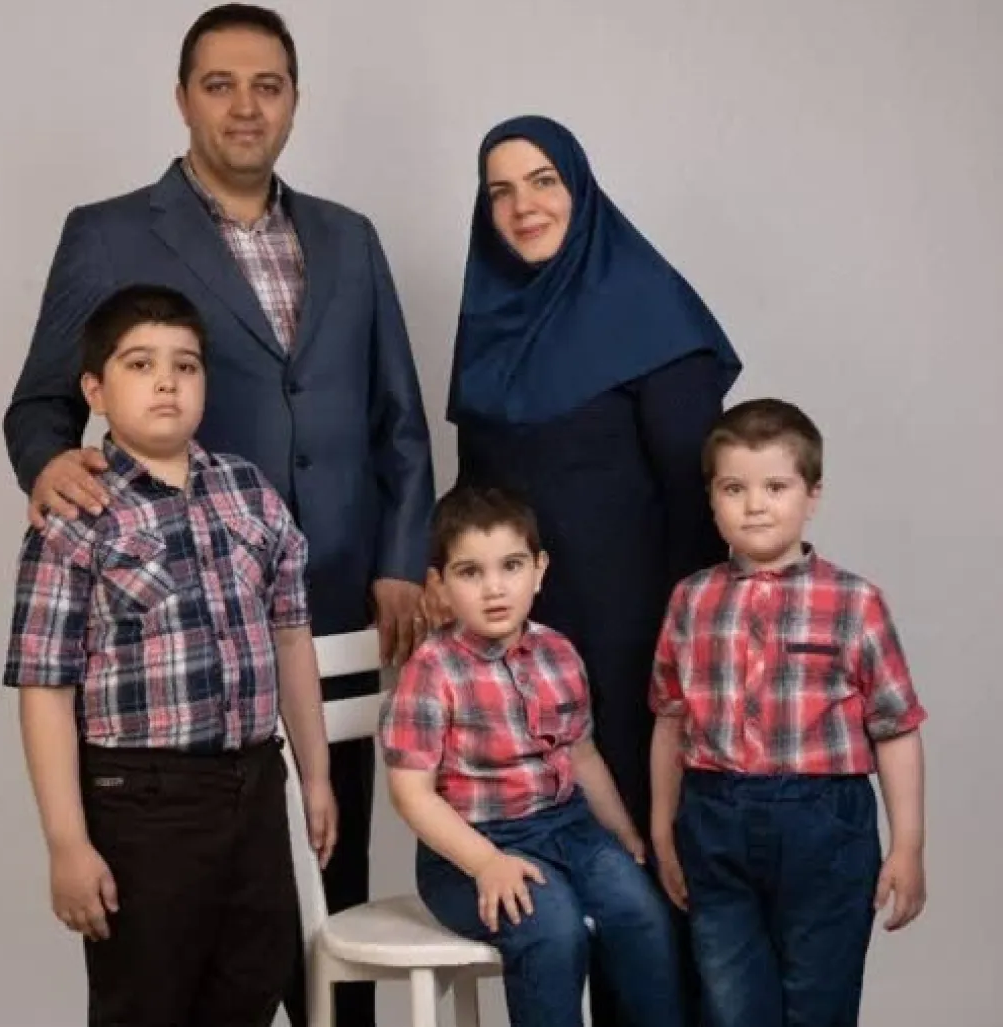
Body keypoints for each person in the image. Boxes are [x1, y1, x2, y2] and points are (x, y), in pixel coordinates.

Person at [3, 7, 433, 1024]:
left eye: (267, 85)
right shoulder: (108, 233)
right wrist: (50, 466)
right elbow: (39, 404)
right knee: (178, 946)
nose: (246, 106)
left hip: (329, 609)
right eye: (220, 84)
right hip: (166, 638)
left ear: (294, 101)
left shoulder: (349, 237)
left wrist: (400, 560)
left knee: (327, 889)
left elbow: (399, 420)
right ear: (183, 98)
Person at [444, 113, 741, 1023]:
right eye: (500, 190)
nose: (522, 205)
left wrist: (689, 661)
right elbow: (474, 494)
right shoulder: (491, 323)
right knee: (581, 870)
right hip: (524, 646)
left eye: (543, 181)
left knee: (654, 866)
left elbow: (698, 503)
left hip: (643, 636)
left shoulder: (648, 309)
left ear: (580, 189)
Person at [3, 285, 336, 1026]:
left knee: (253, 982)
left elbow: (290, 638)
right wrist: (67, 841)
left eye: (185, 366)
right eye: (140, 364)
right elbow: (45, 688)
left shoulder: (251, 494)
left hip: (254, 785)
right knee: (147, 998)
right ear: (95, 389)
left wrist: (315, 776)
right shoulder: (76, 515)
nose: (166, 382)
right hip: (141, 800)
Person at [649, 398, 928, 1027]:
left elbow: (896, 728)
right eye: (734, 488)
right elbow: (670, 718)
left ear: (812, 495)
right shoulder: (690, 601)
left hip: (825, 827)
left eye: (775, 487)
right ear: (711, 499)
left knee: (819, 1003)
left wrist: (908, 845)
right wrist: (664, 828)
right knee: (730, 1003)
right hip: (713, 821)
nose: (755, 505)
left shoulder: (854, 602)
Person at [381, 484, 685, 1027]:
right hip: (471, 847)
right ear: (440, 585)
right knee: (552, 929)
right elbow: (412, 795)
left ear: (540, 570)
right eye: (470, 572)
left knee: (640, 915)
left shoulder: (557, 653)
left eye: (512, 566)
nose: (494, 588)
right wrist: (486, 863)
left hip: (569, 828)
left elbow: (582, 756)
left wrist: (622, 832)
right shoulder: (432, 670)